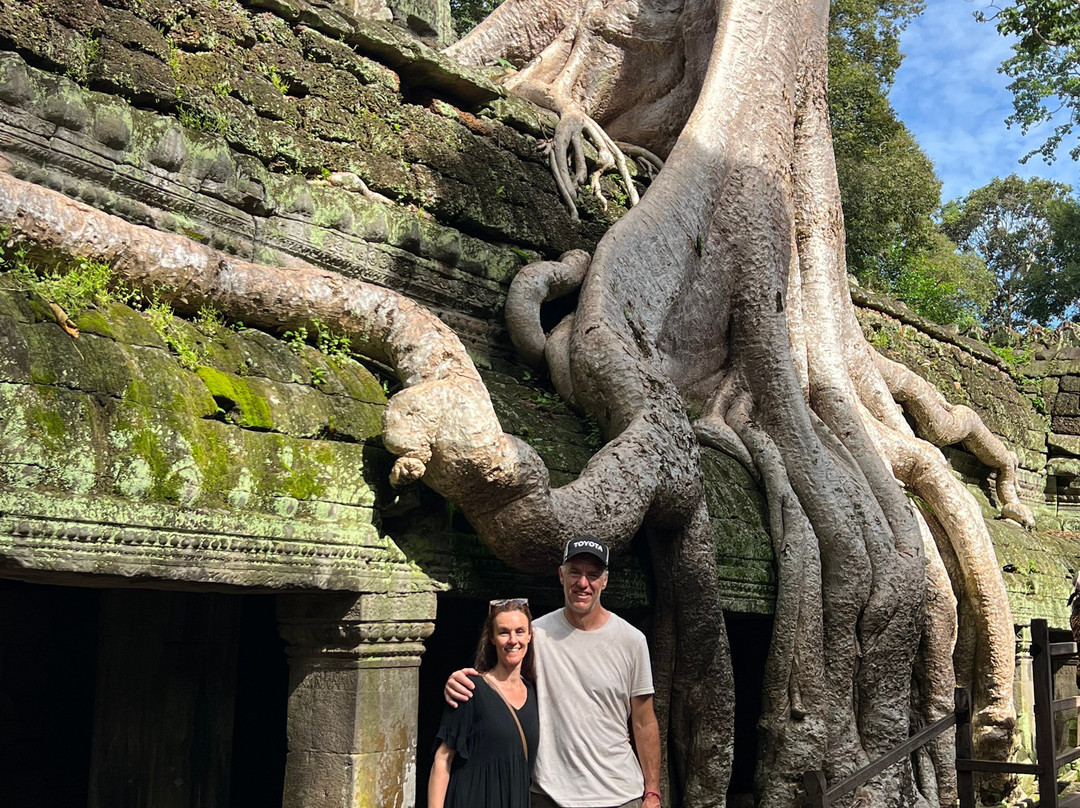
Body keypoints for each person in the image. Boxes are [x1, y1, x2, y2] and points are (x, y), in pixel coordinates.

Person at [445, 536, 661, 808]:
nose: (583, 583)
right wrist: (459, 681)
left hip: (619, 793)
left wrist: (652, 792)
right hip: (549, 794)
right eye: (575, 573)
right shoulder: (536, 634)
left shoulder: (632, 641)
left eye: (593, 575)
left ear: (605, 581)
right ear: (561, 575)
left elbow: (644, 722)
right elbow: (498, 681)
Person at [428, 598, 540, 808]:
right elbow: (443, 759)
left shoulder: (535, 692)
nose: (513, 640)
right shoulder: (471, 689)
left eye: (519, 631)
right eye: (504, 632)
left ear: (530, 635)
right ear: (492, 638)